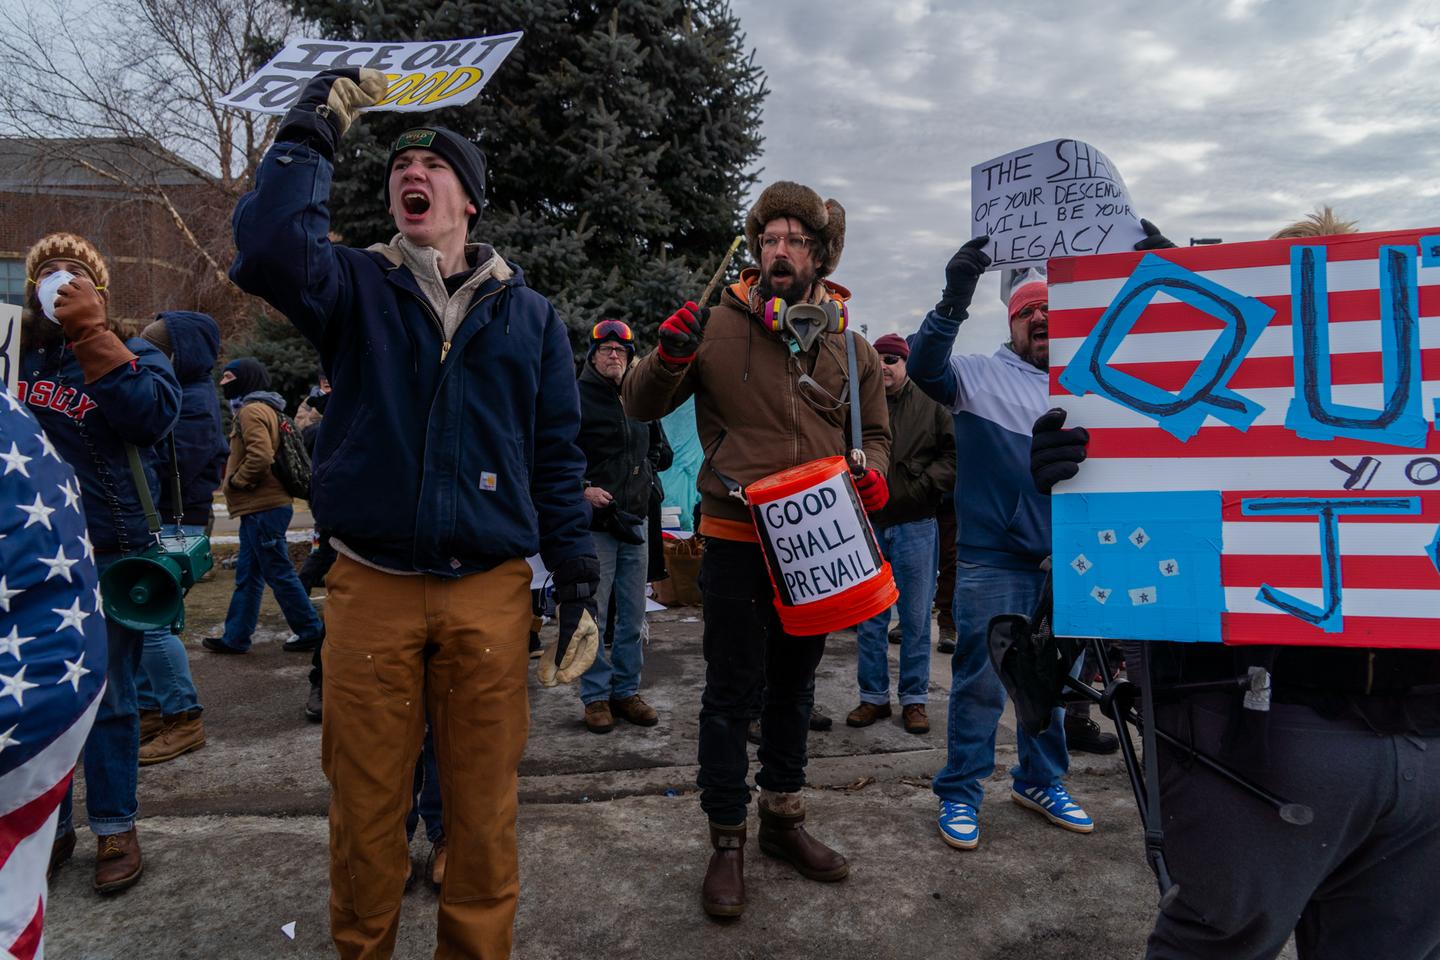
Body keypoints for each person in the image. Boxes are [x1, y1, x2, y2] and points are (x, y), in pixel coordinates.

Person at [230, 68, 598, 959]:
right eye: (398, 164)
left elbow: (555, 457)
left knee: (479, 818)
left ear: (466, 199)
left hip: (490, 595)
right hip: (372, 590)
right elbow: (269, 246)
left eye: (430, 163)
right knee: (364, 817)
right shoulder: (352, 287)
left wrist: (578, 577)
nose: (409, 172)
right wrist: (312, 129)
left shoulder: (531, 317)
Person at [1031, 208, 1440, 960]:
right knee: (1216, 941)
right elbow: (1138, 580)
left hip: (1421, 743)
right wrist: (1084, 482)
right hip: (1263, 733)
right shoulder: (1217, 425)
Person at [624, 179, 891, 919]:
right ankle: (725, 841)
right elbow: (640, 403)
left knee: (795, 691)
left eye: (794, 240)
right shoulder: (714, 324)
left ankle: (782, 820)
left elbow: (878, 437)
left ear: (818, 254)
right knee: (729, 694)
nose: (779, 251)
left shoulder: (849, 343)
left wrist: (879, 478)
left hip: (816, 545)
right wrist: (668, 355)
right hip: (738, 539)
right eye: (769, 238)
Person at [908, 245, 1095, 850]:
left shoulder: (1093, 382)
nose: (1040, 318)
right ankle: (960, 792)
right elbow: (922, 365)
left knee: (1050, 682)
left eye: (1050, 309)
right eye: (1027, 312)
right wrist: (954, 297)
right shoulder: (977, 376)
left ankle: (1041, 780)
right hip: (995, 559)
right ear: (1011, 322)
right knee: (981, 682)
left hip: (1070, 558)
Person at [18, 231, 181, 892]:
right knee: (37, 702)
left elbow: (149, 418)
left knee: (111, 699)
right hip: (30, 556)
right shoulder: (17, 361)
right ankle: (45, 831)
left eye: (73, 273)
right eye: (46, 273)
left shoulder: (133, 351)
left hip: (111, 552)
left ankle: (116, 825)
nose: (58, 281)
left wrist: (91, 335)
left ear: (98, 290)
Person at [0, 390, 109, 952]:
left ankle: (115, 830)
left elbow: (151, 425)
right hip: (65, 559)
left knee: (117, 712)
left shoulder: (129, 366)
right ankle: (64, 830)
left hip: (89, 555)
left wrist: (99, 349)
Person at [846, 332, 954, 735]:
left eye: (893, 359)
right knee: (871, 620)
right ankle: (872, 698)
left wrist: (923, 486)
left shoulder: (931, 402)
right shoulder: (857, 406)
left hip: (916, 525)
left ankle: (914, 701)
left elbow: (953, 454)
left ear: (906, 364)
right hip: (869, 526)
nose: (886, 365)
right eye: (880, 358)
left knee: (913, 620)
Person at [133, 311, 227, 764]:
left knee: (152, 623)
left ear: (179, 355)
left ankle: (183, 717)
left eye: (155, 350)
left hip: (174, 522)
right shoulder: (183, 392)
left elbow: (178, 466)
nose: (146, 356)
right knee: (143, 620)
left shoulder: (189, 401)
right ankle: (151, 711)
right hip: (169, 520)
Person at [576, 319, 667, 734]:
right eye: (606, 349)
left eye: (622, 351)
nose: (615, 355)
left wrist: (646, 474)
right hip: (596, 523)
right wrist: (583, 489)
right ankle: (595, 697)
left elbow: (660, 451)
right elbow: (554, 454)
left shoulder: (638, 396)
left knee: (632, 616)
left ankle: (626, 691)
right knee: (591, 616)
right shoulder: (576, 397)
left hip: (637, 521)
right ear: (593, 356)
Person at [201, 357, 324, 656]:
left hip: (263, 506)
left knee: (277, 571)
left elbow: (260, 455)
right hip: (261, 507)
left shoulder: (251, 411)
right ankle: (236, 637)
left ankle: (310, 629)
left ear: (245, 380)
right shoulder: (264, 408)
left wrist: (236, 483)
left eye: (228, 377)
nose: (222, 383)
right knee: (249, 575)